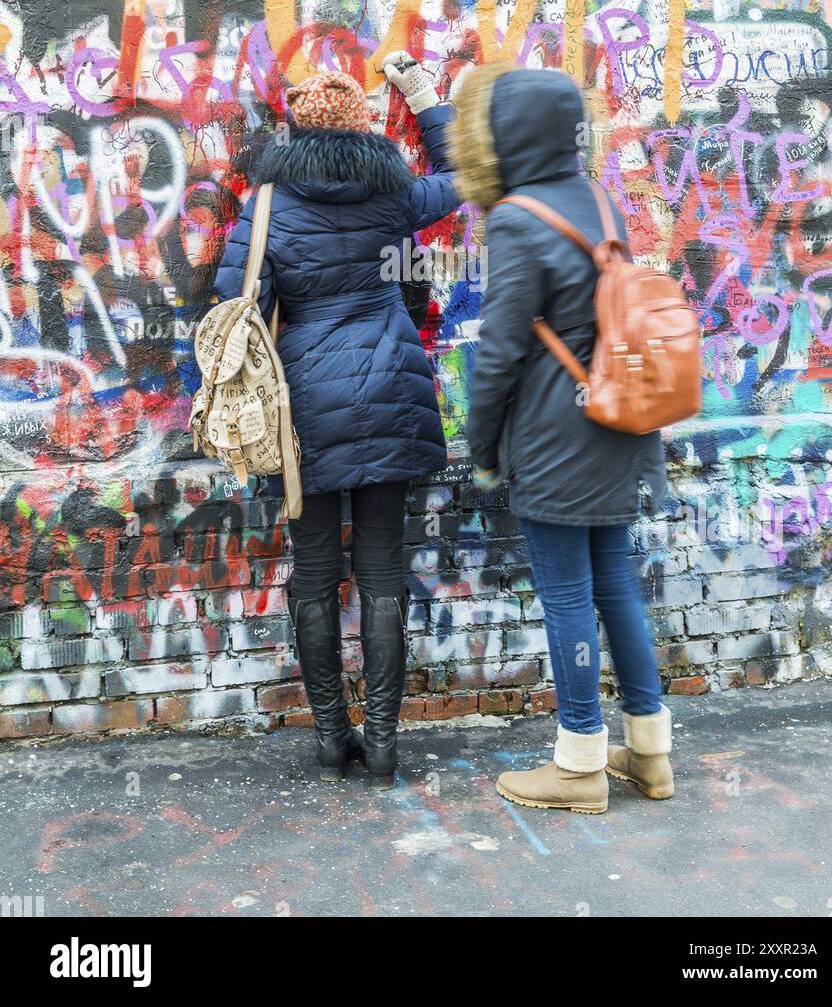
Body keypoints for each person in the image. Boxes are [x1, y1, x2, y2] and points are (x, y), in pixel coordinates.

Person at [214, 53, 459, 787]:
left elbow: (235, 313)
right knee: (384, 571)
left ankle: (332, 738)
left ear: (293, 130)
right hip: (392, 393)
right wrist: (422, 98)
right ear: (363, 131)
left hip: (303, 410)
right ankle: (383, 746)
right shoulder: (396, 200)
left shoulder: (266, 209)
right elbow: (465, 171)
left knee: (315, 574)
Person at [448, 62, 674, 814]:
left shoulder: (516, 217)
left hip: (553, 436)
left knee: (568, 598)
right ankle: (649, 752)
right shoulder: (602, 200)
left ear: (508, 135)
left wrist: (482, 447)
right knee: (616, 589)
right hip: (618, 423)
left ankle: (578, 762)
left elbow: (502, 347)